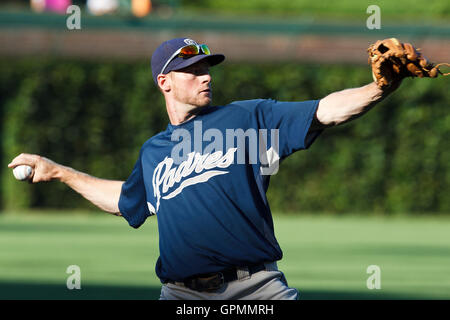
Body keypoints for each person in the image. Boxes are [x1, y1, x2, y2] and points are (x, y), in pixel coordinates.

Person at [8, 37, 400, 300]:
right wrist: (59, 171)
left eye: (207, 67)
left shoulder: (248, 118)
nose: (206, 75)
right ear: (165, 82)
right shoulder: (154, 152)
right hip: (182, 296)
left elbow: (325, 111)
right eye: (193, 70)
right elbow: (126, 202)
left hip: (256, 288)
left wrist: (379, 87)